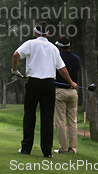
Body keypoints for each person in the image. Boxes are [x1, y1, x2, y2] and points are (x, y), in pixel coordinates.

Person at [11, 21, 77, 157]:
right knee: (47, 117)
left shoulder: (30, 43)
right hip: (49, 84)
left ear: (35, 32)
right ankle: (47, 152)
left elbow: (16, 55)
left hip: (34, 83)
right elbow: (62, 69)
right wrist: (71, 82)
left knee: (29, 114)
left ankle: (26, 148)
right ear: (47, 33)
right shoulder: (53, 48)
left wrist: (15, 70)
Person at [54, 35, 81, 154]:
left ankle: (63, 148)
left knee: (60, 121)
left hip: (60, 91)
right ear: (69, 45)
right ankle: (73, 149)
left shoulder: (56, 58)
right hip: (73, 92)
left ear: (59, 46)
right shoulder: (77, 59)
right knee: (72, 121)